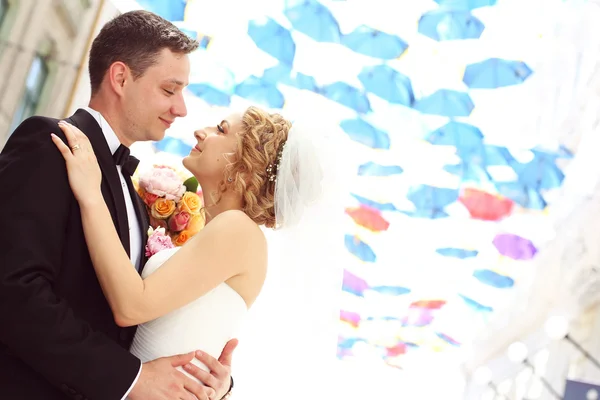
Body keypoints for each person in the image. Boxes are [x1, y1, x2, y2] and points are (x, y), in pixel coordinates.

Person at [0, 10, 234, 400]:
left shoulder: (134, 195)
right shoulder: (48, 143)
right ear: (121, 78)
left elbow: (135, 324)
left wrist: (207, 381)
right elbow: (12, 290)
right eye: (169, 89)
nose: (182, 109)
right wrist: (131, 379)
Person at [51, 104, 347, 399]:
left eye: (221, 129)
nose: (200, 131)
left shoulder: (238, 230)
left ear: (245, 162)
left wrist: (90, 193)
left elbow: (131, 306)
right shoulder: (222, 232)